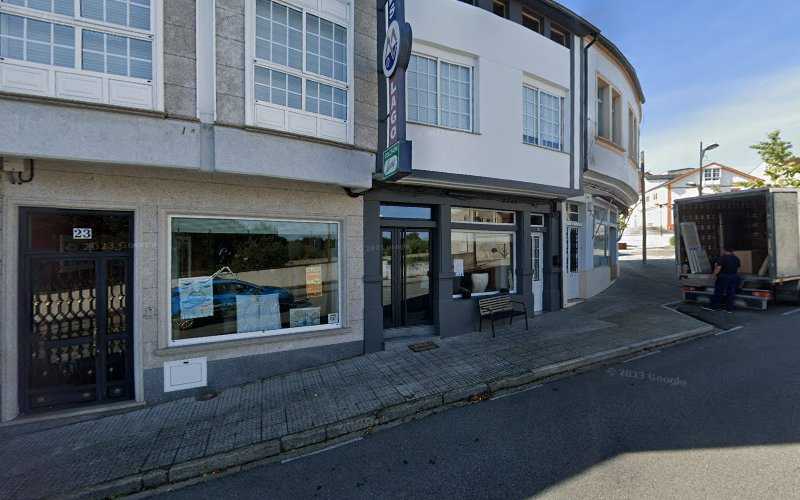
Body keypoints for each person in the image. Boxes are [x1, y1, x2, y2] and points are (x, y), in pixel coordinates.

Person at [703, 247, 741, 312]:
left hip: (724, 277)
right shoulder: (736, 258)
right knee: (731, 293)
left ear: (724, 250)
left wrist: (713, 275)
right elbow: (738, 269)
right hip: (734, 277)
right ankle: (729, 309)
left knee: (718, 292)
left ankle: (714, 307)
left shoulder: (722, 258)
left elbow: (718, 268)